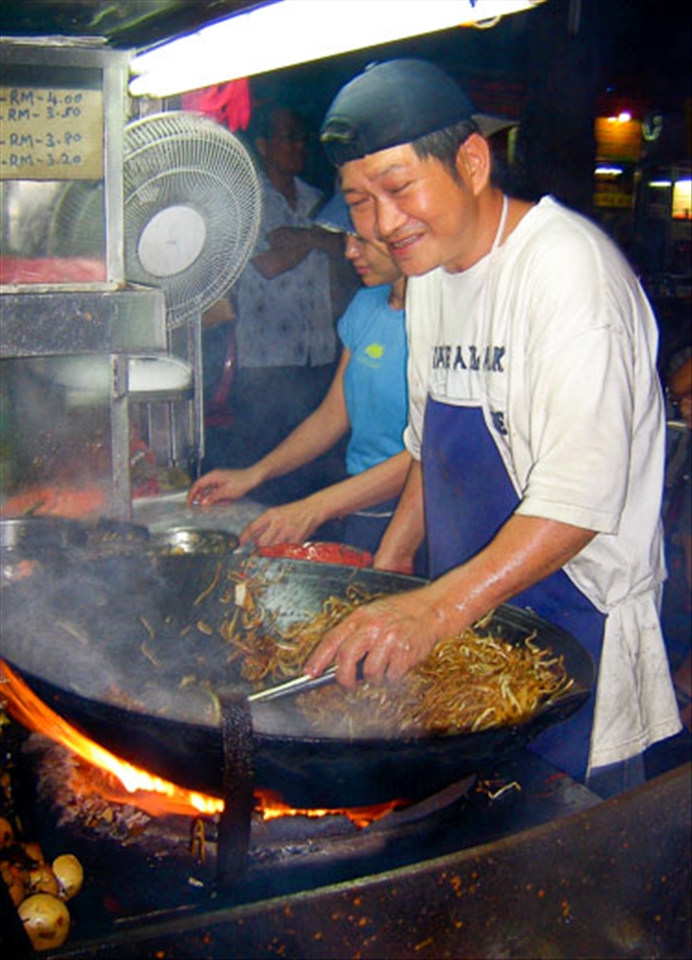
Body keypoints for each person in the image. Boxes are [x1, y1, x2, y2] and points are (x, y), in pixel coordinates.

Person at [304, 58, 682, 795]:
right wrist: (388, 578)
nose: (382, 224)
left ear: (471, 162)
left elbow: (579, 501)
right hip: (475, 629)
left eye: (399, 188)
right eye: (359, 201)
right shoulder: (436, 276)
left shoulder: (568, 274)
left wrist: (435, 609)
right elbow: (428, 451)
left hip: (578, 638)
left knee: (561, 869)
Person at [189, 193, 417, 561]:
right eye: (345, 238)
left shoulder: (442, 320)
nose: (348, 252)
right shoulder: (366, 306)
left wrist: (315, 508)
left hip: (416, 518)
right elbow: (331, 416)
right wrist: (254, 474)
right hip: (359, 508)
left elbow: (425, 454)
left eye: (360, 239)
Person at [203, 102, 347, 503]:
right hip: (265, 361)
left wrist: (305, 238)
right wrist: (319, 240)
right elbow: (267, 265)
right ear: (263, 146)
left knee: (316, 470)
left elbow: (346, 245)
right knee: (265, 474)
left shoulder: (317, 199)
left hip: (319, 355)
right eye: (288, 137)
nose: (299, 146)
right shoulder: (245, 203)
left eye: (301, 138)